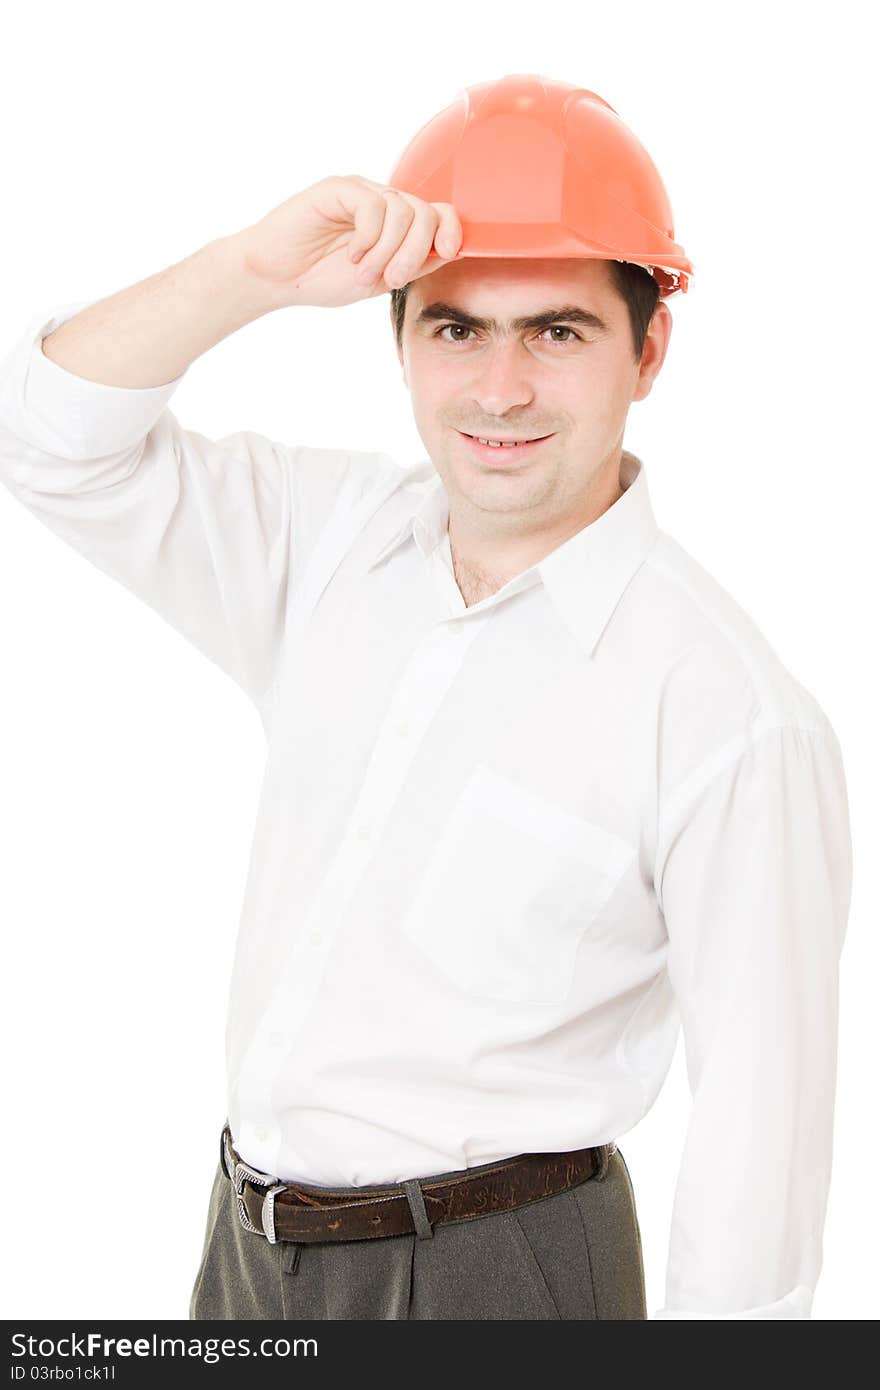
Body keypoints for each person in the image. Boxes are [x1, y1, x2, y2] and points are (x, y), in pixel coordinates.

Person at [0, 74, 852, 1320]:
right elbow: (48, 438)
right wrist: (250, 271)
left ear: (648, 348)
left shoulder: (728, 712)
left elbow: (758, 1158)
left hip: (497, 1272)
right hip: (244, 1252)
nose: (497, 390)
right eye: (456, 327)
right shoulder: (328, 540)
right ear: (398, 338)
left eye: (555, 330)